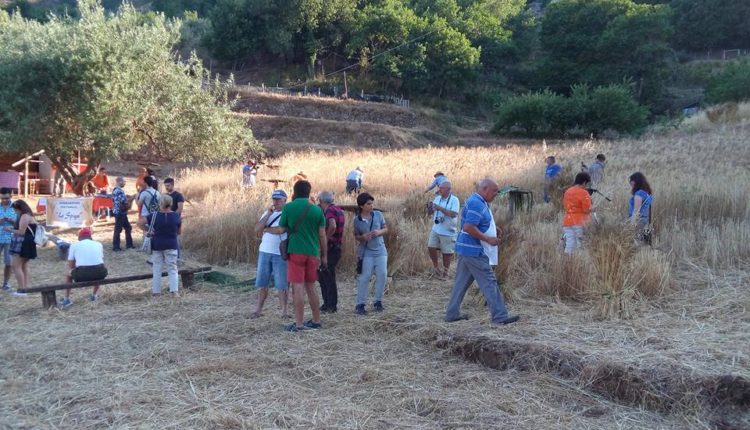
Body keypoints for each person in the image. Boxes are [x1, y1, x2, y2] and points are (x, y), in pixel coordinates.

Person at [444, 178, 519, 325]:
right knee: (489, 282)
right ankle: (500, 316)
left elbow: (477, 223)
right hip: (474, 251)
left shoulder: (479, 201)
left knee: (461, 284)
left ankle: (451, 314)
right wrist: (488, 238)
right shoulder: (476, 203)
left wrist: (492, 228)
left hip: (467, 249)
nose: (496, 194)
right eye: (494, 191)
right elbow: (468, 227)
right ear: (484, 189)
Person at [267, 180, 327, 332]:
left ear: (294, 192)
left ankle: (299, 323)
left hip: (296, 252)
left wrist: (267, 230)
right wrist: (324, 255)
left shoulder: (289, 207)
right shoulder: (317, 210)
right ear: (309, 192)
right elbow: (322, 236)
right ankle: (316, 320)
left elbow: (281, 229)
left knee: (297, 288)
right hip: (313, 253)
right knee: (311, 287)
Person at [252, 189, 290, 319]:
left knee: (282, 284)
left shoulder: (288, 213)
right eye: (274, 199)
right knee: (262, 283)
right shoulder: (268, 213)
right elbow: (257, 229)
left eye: (279, 199)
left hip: (279, 253)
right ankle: (258, 310)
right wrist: (268, 214)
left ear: (285, 200)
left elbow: (281, 230)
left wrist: (266, 229)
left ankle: (284, 311)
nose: (276, 202)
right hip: (264, 251)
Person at [353, 192, 388, 315]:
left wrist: (379, 232)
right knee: (365, 277)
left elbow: (386, 228)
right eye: (368, 204)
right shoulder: (357, 220)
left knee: (382, 274)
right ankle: (360, 304)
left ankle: (378, 301)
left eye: (372, 203)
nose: (371, 206)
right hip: (366, 251)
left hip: (380, 249)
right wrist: (363, 237)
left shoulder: (378, 215)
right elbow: (356, 236)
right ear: (361, 206)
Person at [138, 195, 181, 296]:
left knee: (157, 268)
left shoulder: (153, 215)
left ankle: (156, 292)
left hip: (157, 244)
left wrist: (149, 230)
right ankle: (174, 291)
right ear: (171, 204)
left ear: (160, 203)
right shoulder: (176, 216)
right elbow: (179, 232)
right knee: (172, 268)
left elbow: (139, 223)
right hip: (171, 244)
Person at [61, 228, 108, 307]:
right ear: (90, 237)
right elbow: (99, 259)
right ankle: (94, 295)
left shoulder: (74, 245)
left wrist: (77, 268)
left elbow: (71, 265)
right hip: (101, 272)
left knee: (68, 275)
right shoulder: (99, 244)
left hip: (83, 273)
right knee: (98, 269)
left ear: (79, 238)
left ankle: (66, 299)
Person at [317, 191, 345, 313]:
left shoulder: (329, 211)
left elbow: (332, 226)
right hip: (336, 247)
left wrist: (325, 238)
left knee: (326, 277)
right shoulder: (338, 209)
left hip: (331, 248)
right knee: (326, 276)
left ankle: (330, 306)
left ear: (321, 200)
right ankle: (328, 304)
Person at [427, 181, 460, 279]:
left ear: (448, 189)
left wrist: (439, 208)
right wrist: (429, 208)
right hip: (436, 228)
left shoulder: (455, 200)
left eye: (441, 188)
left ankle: (445, 273)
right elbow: (431, 213)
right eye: (439, 188)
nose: (439, 190)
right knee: (430, 247)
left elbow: (454, 214)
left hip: (448, 230)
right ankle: (436, 268)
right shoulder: (437, 198)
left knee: (447, 253)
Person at [5, 200, 37, 296]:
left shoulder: (24, 216)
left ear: (20, 208)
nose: (15, 212)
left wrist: (10, 230)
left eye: (15, 210)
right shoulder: (29, 215)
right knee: (23, 266)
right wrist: (13, 223)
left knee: (16, 266)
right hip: (28, 243)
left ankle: (21, 289)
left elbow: (21, 232)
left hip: (22, 243)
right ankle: (24, 288)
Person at [562, 172, 592, 254]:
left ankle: (568, 263)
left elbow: (565, 206)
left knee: (569, 244)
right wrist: (594, 208)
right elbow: (586, 210)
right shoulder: (584, 193)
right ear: (584, 182)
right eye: (586, 184)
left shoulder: (567, 191)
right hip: (580, 222)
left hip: (567, 221)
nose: (586, 186)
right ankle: (580, 264)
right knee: (581, 246)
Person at [628, 172, 653, 242]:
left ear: (636, 182)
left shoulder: (638, 194)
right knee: (643, 242)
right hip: (645, 221)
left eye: (631, 181)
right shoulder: (646, 193)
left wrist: (631, 225)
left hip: (638, 222)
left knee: (636, 241)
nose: (630, 183)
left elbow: (636, 211)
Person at [0, 188, 17, 291]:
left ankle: (6, 283)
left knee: (8, 262)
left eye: (6, 198)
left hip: (10, 238)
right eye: (2, 198)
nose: (4, 200)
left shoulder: (16, 207)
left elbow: (21, 223)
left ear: (11, 196)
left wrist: (12, 221)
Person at [112, 176, 134, 251]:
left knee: (128, 228)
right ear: (120, 181)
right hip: (120, 213)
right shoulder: (119, 191)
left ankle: (129, 244)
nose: (125, 183)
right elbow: (124, 202)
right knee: (118, 230)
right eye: (124, 181)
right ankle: (116, 246)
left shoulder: (116, 190)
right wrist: (132, 198)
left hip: (120, 212)